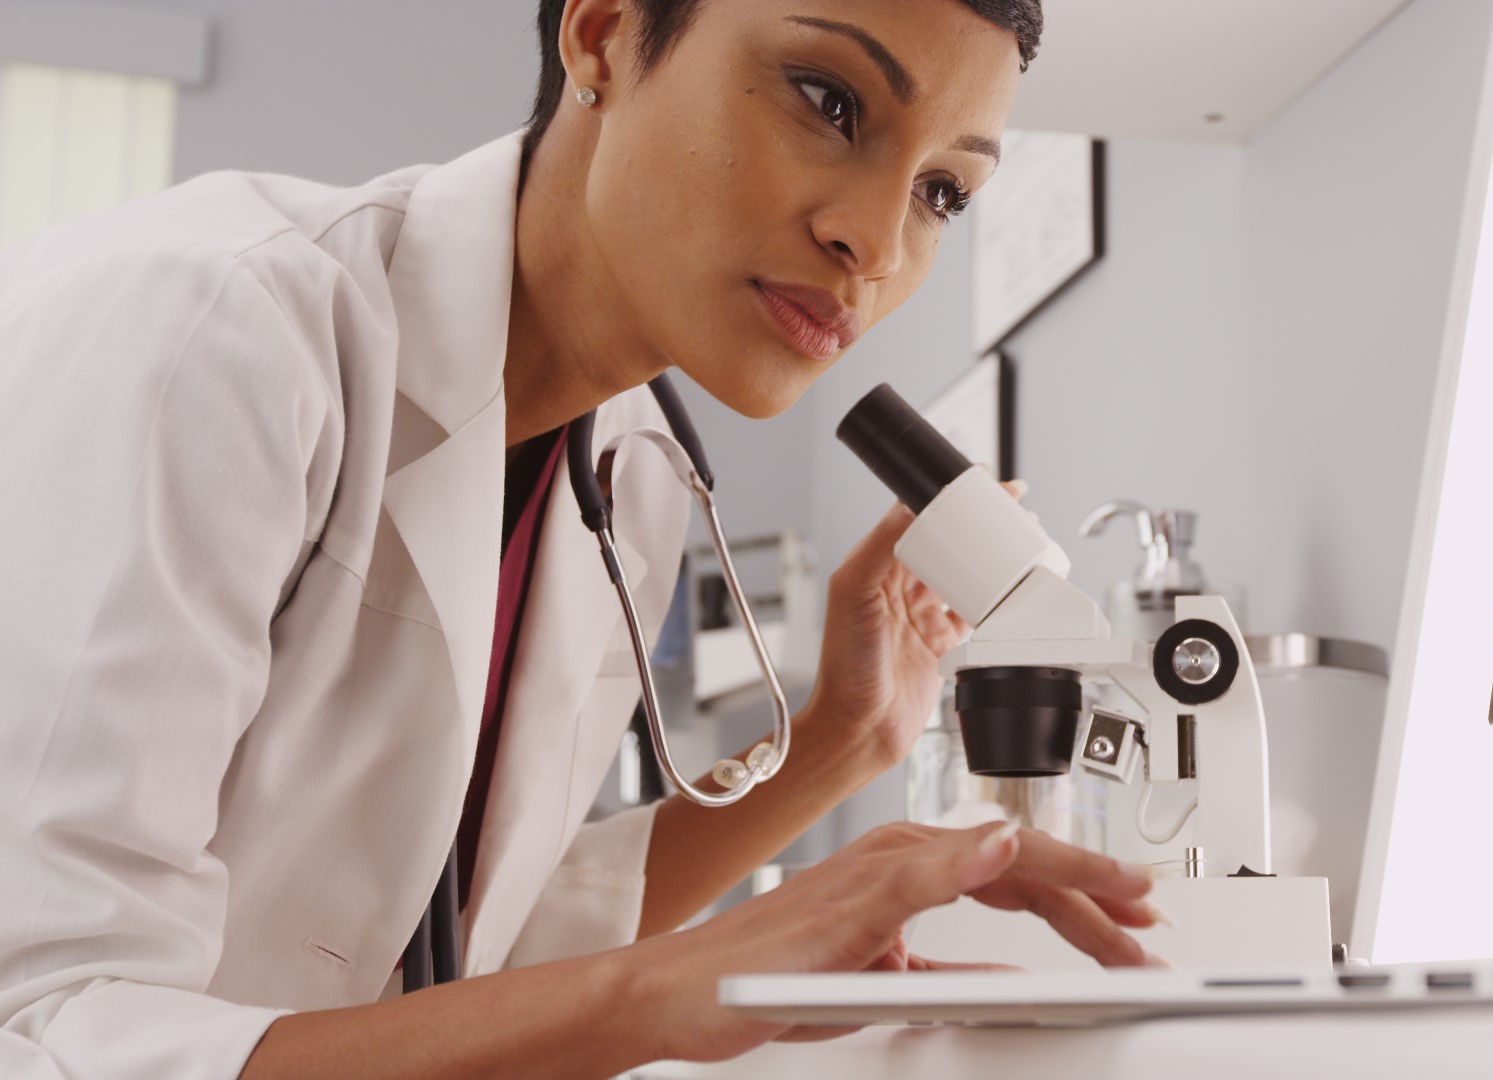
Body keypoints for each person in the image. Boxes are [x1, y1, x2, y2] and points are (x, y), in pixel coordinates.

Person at [0, 1, 1167, 1076]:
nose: (877, 241)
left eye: (943, 193)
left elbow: (480, 943)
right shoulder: (217, 327)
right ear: (604, 34)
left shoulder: (634, 474)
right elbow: (47, 1023)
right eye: (830, 100)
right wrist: (665, 987)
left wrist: (845, 743)